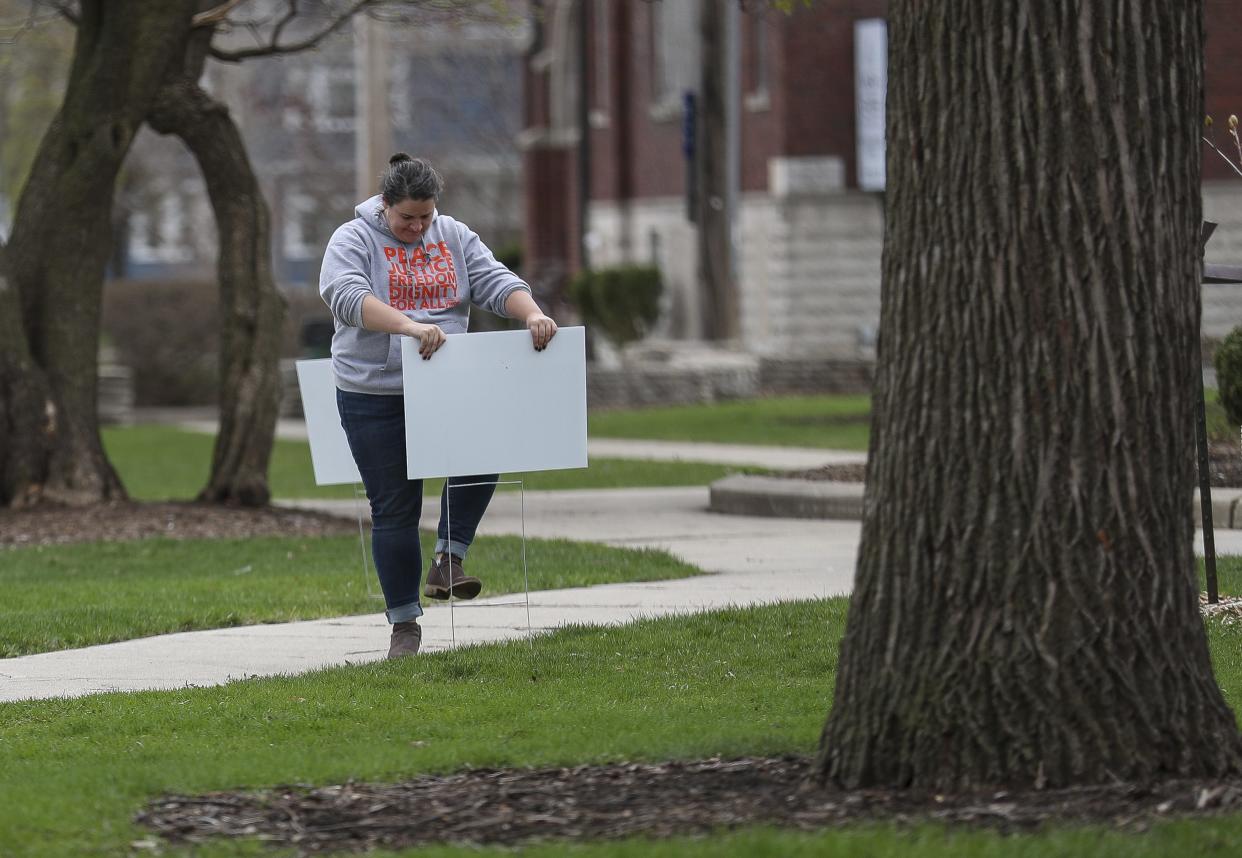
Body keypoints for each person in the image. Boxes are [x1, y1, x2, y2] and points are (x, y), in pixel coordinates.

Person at [319, 153, 557, 659]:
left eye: (425, 216)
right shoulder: (352, 239)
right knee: (395, 507)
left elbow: (494, 281)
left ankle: (449, 558)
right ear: (385, 206)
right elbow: (345, 296)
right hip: (373, 391)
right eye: (408, 218)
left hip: (449, 382)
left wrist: (532, 313)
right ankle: (405, 626)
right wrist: (407, 326)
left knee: (484, 455)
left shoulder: (451, 234)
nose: (418, 227)